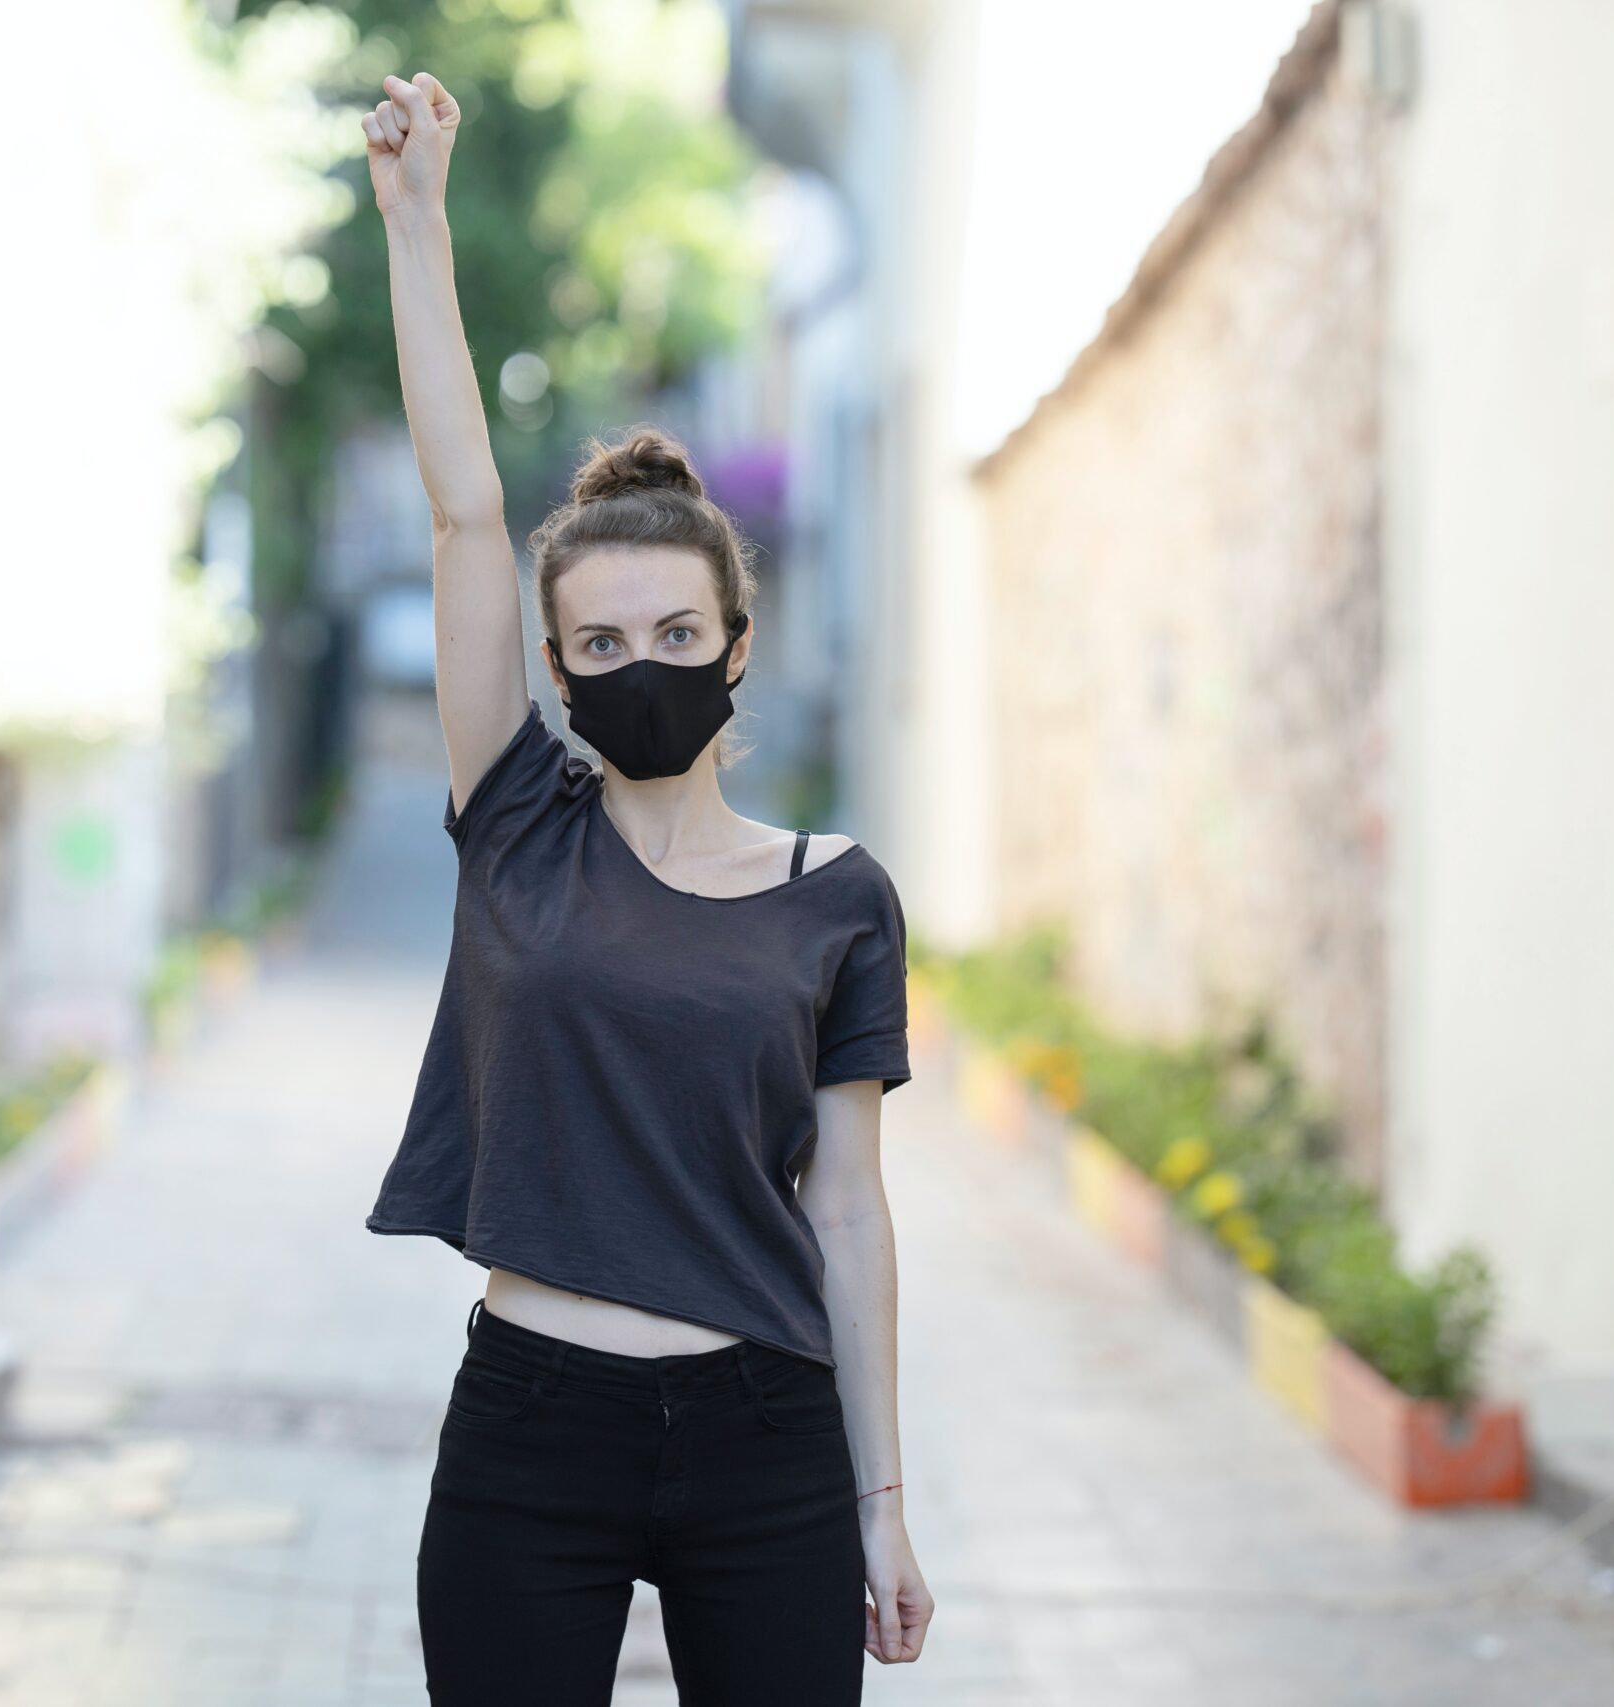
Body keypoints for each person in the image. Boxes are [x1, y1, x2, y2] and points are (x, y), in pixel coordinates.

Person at [355, 69, 935, 1706]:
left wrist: (884, 1509)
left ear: (737, 649)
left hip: (770, 1442)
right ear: (555, 664)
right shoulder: (519, 818)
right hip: (533, 1427)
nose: (642, 668)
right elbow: (468, 510)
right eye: (600, 645)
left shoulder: (840, 899)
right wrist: (419, 228)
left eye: (678, 636)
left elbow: (846, 1210)